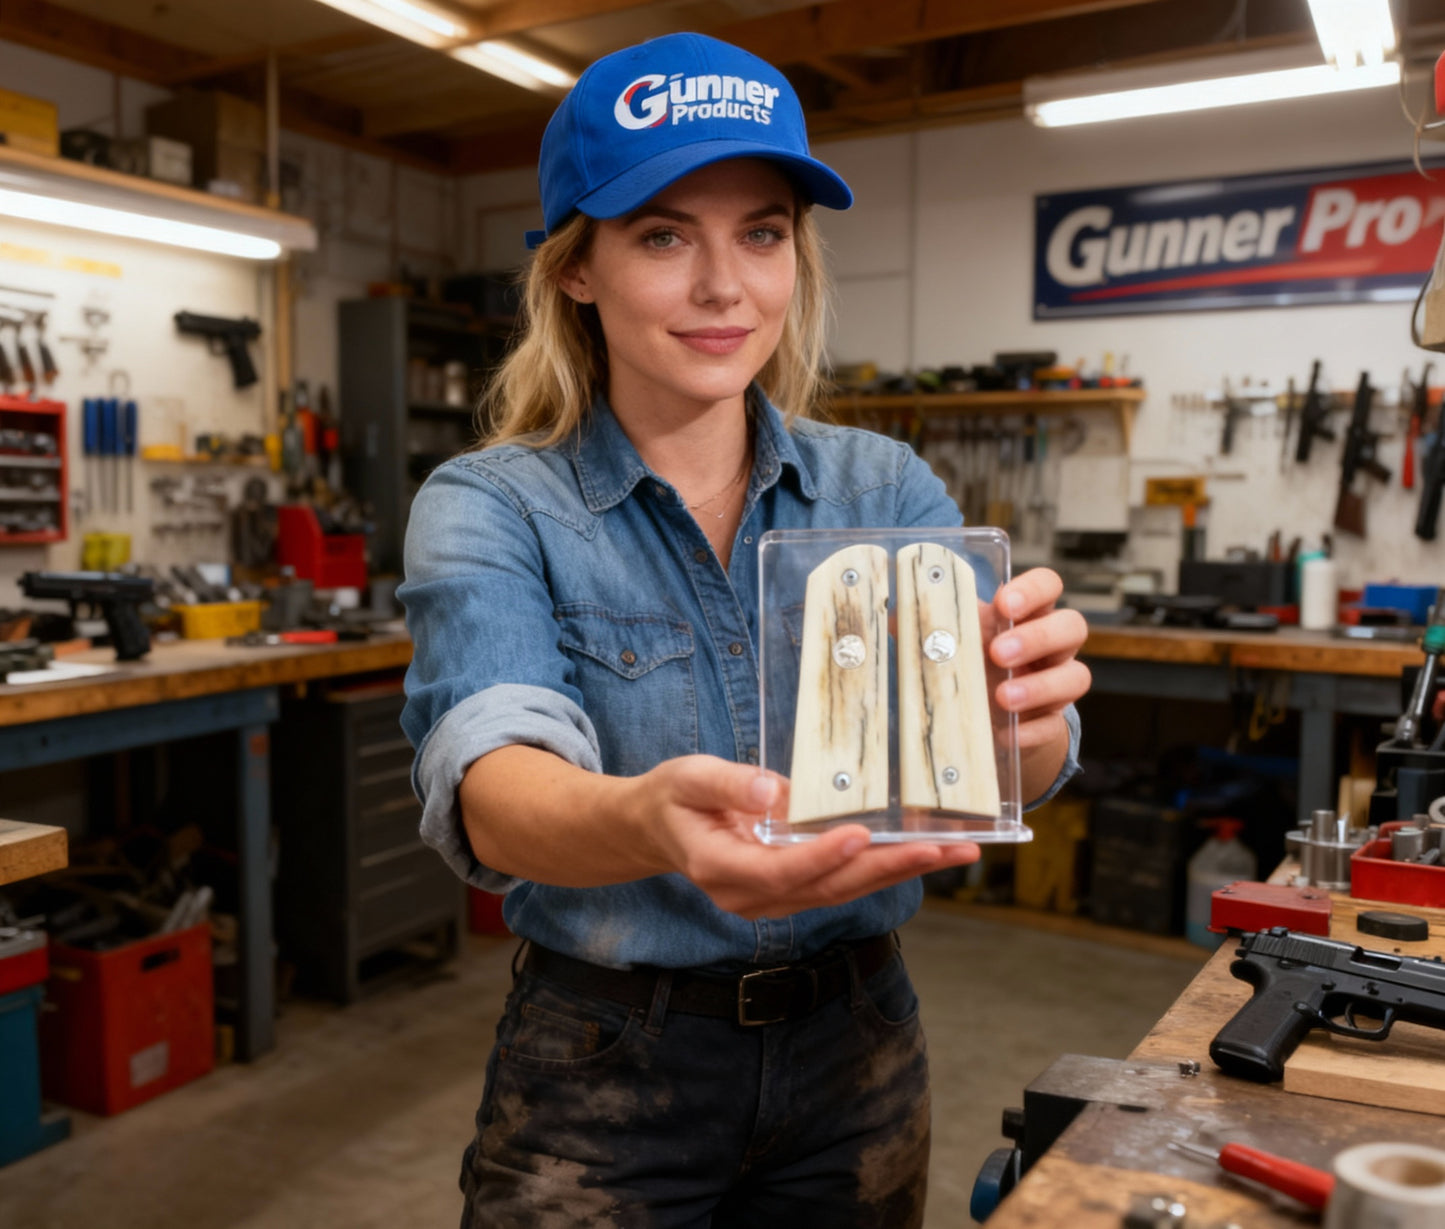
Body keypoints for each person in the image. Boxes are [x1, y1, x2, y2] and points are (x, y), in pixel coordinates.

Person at [399, 30, 1090, 1229]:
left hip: (857, 1048)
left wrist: (1020, 716)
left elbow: (1002, 766)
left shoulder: (881, 487)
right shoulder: (492, 504)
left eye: (761, 233)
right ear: (577, 268)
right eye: (663, 236)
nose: (725, 286)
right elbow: (492, 781)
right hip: (604, 1064)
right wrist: (644, 819)